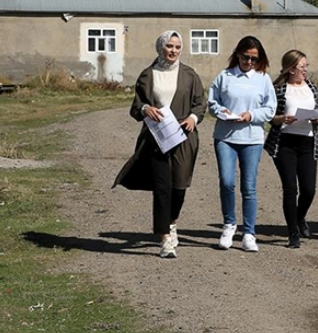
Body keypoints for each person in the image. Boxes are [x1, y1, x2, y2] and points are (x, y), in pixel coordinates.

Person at [114, 30, 207, 258]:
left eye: (177, 47)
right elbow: (136, 107)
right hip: (156, 138)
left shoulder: (190, 75)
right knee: (162, 187)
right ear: (160, 48)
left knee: (179, 186)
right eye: (169, 46)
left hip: (184, 136)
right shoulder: (148, 75)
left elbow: (199, 104)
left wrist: (193, 119)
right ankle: (164, 238)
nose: (173, 50)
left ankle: (172, 222)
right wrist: (146, 109)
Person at [208, 36, 276, 252]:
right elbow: (212, 102)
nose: (249, 62)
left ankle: (249, 232)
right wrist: (221, 111)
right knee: (227, 182)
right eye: (246, 57)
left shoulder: (263, 79)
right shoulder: (224, 76)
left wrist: (251, 115)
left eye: (254, 59)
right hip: (226, 136)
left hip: (252, 138)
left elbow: (270, 109)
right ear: (238, 54)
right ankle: (229, 224)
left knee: (249, 186)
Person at [264, 50, 318, 249]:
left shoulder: (312, 88)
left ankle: (300, 218)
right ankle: (292, 234)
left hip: (307, 142)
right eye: (301, 67)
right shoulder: (279, 89)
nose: (305, 70)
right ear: (290, 69)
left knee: (309, 189)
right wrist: (282, 119)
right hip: (285, 143)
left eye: (306, 66)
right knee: (290, 189)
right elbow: (270, 117)